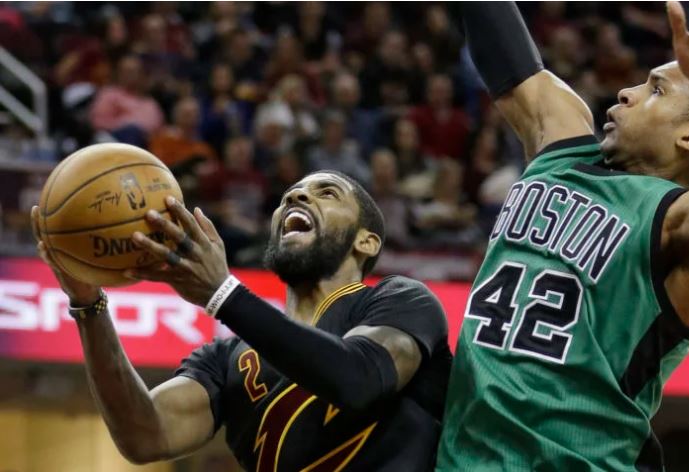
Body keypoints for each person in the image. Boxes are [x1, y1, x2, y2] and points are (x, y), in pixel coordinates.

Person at [437, 2, 689, 471]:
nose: (626, 92)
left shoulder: (679, 225)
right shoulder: (561, 152)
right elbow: (504, 49)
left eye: (656, 90)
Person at [30, 171, 451, 471]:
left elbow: (359, 379)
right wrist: (88, 305)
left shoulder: (399, 300)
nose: (297, 198)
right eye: (289, 196)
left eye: (326, 193)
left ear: (366, 241)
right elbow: (145, 435)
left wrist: (223, 294)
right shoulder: (225, 358)